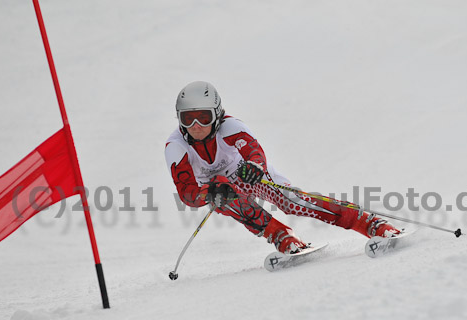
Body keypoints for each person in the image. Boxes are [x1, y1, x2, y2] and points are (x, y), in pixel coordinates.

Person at [164, 81, 400, 254]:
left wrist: (255, 167)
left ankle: (368, 222)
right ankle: (282, 236)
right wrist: (208, 193)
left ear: (216, 114)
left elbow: (254, 151)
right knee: (227, 195)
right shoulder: (176, 147)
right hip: (219, 190)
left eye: (203, 118)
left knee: (290, 201)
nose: (196, 126)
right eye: (188, 118)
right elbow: (187, 193)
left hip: (247, 175)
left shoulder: (230, 127)